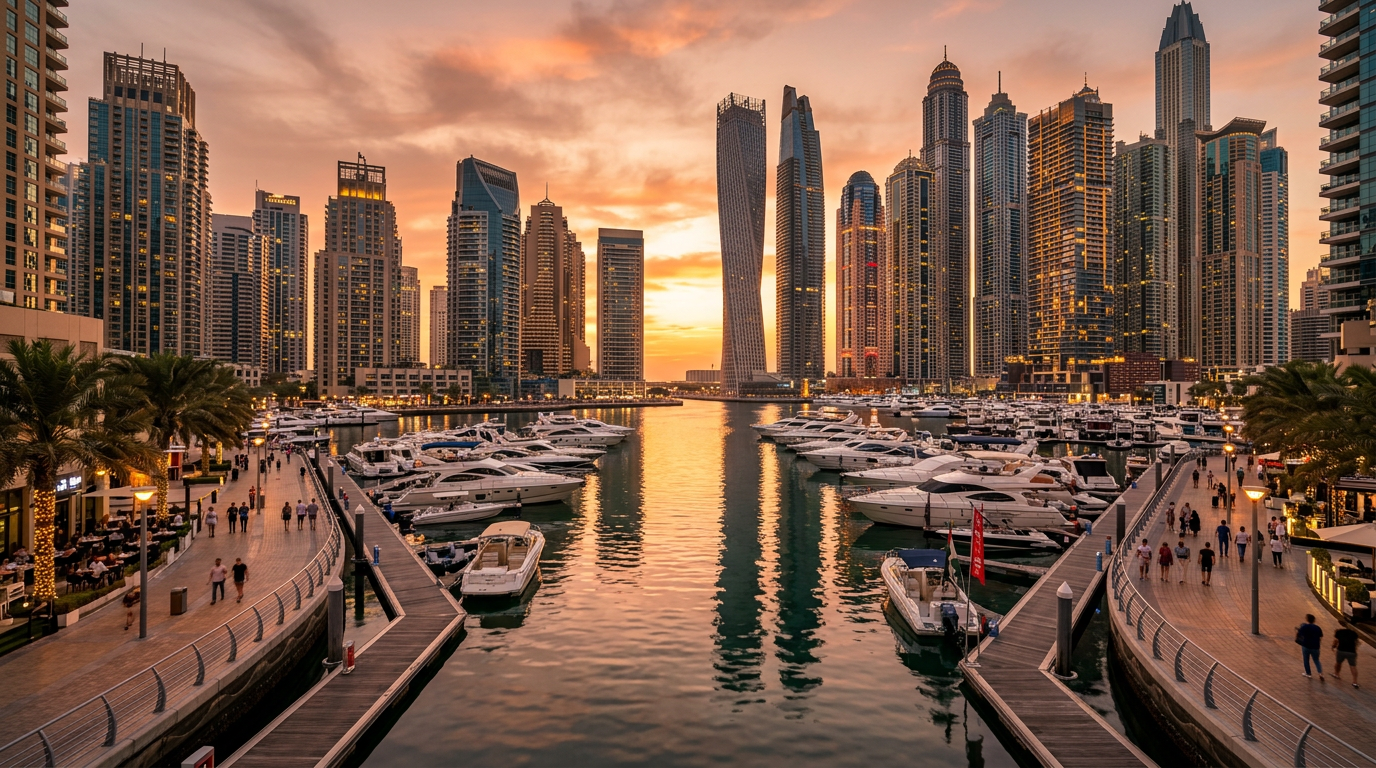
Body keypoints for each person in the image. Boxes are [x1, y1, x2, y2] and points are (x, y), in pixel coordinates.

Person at [1298, 614, 1324, 680]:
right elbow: (1320, 637)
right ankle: (1320, 673)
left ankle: (1308, 673)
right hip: (1315, 646)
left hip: (1306, 645)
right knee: (1316, 660)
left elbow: (1300, 635)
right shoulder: (1317, 628)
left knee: (1306, 659)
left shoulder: (1304, 627)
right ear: (1314, 620)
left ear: (1307, 619)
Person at [1333, 624, 1360, 688]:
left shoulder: (1339, 632)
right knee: (1353, 666)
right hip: (1351, 652)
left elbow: (1336, 641)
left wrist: (1333, 646)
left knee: (1338, 663)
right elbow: (1357, 642)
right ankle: (1355, 681)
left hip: (1341, 650)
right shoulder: (1354, 633)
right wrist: (1355, 649)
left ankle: (1336, 674)